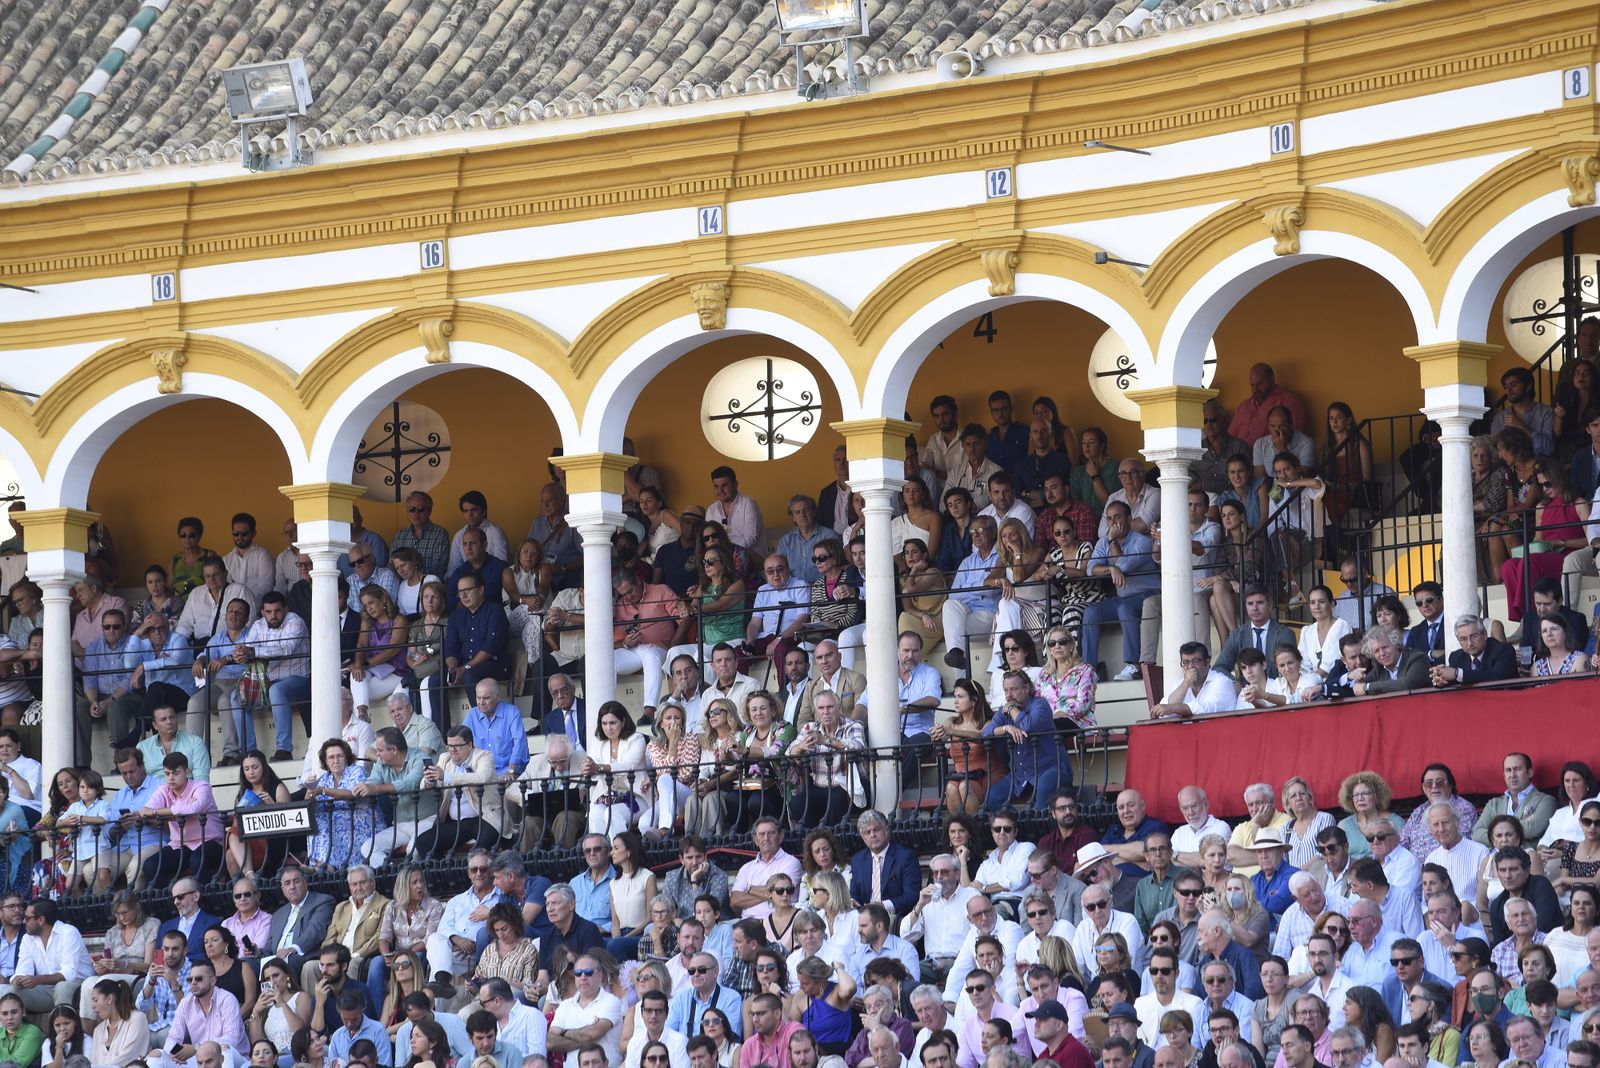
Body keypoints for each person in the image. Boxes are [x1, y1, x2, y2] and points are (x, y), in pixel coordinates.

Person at [1081, 502, 1158, 681]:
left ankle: (1133, 665)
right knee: (1090, 612)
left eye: (1118, 517)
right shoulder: (1103, 541)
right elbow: (1090, 568)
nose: (1113, 523)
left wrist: (1113, 542)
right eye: (1109, 518)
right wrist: (1109, 569)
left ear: (1129, 519)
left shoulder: (1142, 541)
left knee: (1125, 609)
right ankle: (1088, 670)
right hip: (1123, 597)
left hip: (1149, 593)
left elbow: (1122, 565)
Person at [1151, 644, 1238, 719]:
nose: (1190, 666)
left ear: (1207, 662)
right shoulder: (1180, 684)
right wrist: (1185, 685)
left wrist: (1173, 708)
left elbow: (1207, 709)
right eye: (1185, 662)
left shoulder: (1222, 681)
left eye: (1196, 661)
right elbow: (1164, 713)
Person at [1431, 616, 1518, 688]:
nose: (1469, 643)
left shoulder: (1503, 651)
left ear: (1484, 634)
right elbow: (1456, 679)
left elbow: (1497, 677)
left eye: (1474, 636)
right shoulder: (1456, 657)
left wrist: (1457, 673)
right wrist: (1441, 679)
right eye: (1463, 639)